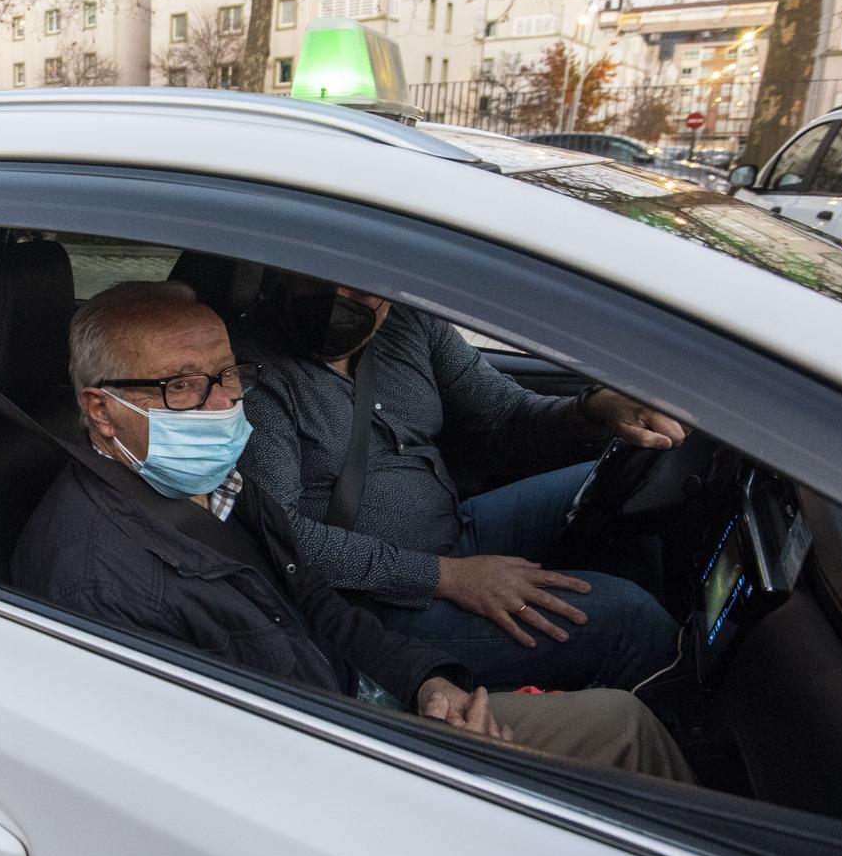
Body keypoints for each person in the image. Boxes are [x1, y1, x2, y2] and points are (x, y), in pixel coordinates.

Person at [12, 280, 693, 780]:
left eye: (226, 375)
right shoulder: (98, 579)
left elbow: (314, 605)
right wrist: (447, 757)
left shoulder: (214, 486)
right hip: (351, 761)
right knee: (624, 714)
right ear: (101, 411)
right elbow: (233, 770)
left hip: (369, 700)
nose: (224, 404)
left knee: (623, 720)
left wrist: (428, 684)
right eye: (182, 387)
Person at [235, 271, 684, 691]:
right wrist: (444, 577)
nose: (339, 298)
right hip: (375, 602)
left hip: (457, 528)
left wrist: (594, 409)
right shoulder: (255, 375)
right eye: (323, 279)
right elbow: (282, 535)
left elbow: (507, 416)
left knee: (631, 476)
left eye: (360, 285)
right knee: (628, 619)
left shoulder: (409, 326)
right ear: (286, 273)